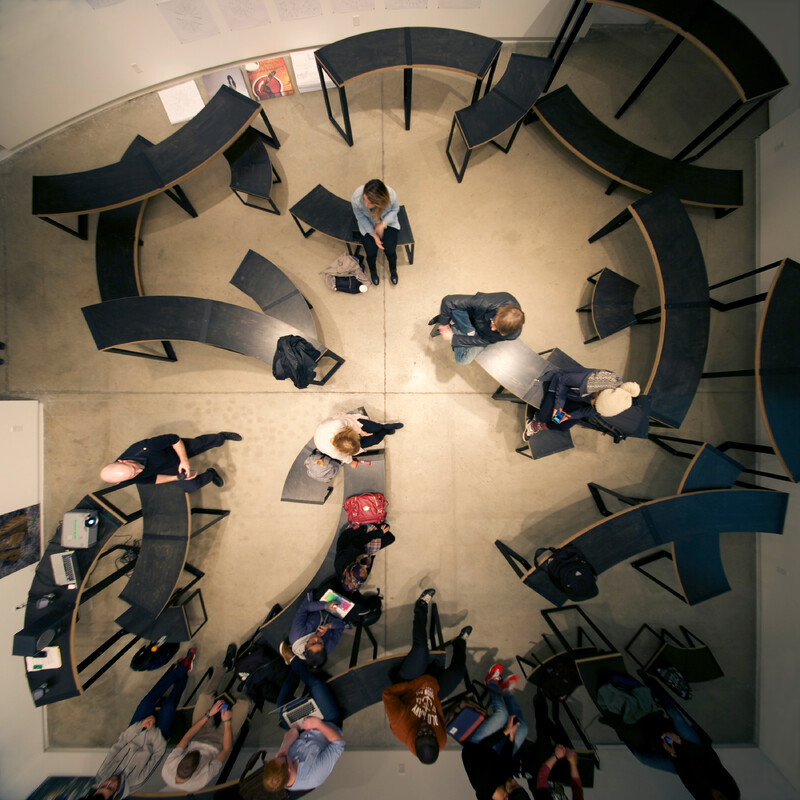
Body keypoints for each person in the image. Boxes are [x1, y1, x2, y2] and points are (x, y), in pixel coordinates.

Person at [88, 649, 196, 799]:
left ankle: (181, 669)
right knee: (169, 706)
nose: (109, 781)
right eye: (110, 787)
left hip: (135, 732)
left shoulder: (102, 774)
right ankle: (183, 673)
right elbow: (158, 754)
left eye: (104, 785)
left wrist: (140, 727)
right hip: (157, 738)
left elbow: (120, 743)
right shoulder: (136, 782)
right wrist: (152, 730)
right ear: (115, 795)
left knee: (146, 702)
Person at [382, 588, 472, 764]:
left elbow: (388, 694)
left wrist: (417, 685)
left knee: (421, 649)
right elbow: (439, 715)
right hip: (431, 693)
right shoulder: (441, 740)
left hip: (409, 683)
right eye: (429, 732)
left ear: (414, 739)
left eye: (420, 733)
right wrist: (432, 693)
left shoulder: (400, 725)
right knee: (458, 672)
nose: (425, 727)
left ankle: (421, 607)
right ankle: (460, 642)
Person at [161, 651, 253, 792]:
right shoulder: (200, 781)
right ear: (196, 771)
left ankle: (223, 668)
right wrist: (227, 722)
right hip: (220, 743)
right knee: (244, 705)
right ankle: (250, 680)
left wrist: (208, 715)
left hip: (199, 735)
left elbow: (187, 737)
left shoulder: (168, 769)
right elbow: (226, 749)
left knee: (204, 696)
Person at [262, 659, 346, 792]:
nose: (279, 756)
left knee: (281, 704)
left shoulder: (281, 766)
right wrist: (318, 724)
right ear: (289, 770)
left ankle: (298, 665)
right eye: (282, 757)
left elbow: (291, 734)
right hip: (327, 723)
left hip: (303, 727)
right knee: (315, 685)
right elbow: (339, 744)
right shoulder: (315, 775)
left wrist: (284, 748)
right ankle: (296, 660)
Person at [99, 431, 242, 492]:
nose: (139, 470)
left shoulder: (144, 448)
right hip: (163, 467)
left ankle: (220, 437)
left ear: (122, 461)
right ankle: (211, 474)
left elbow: (174, 439)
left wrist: (184, 460)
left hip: (171, 450)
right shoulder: (125, 478)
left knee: (199, 444)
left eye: (133, 468)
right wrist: (175, 478)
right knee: (192, 486)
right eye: (134, 474)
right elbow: (153, 479)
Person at [525, 367, 640, 438]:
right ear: (601, 393)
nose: (593, 406)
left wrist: (569, 416)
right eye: (594, 403)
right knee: (544, 417)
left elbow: (585, 412)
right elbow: (562, 380)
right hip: (560, 387)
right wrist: (558, 406)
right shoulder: (594, 381)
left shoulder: (610, 404)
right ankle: (537, 418)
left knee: (561, 423)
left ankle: (536, 426)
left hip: (577, 399)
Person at [429, 293, 525, 365]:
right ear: (497, 312)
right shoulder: (486, 302)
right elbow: (448, 300)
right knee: (455, 307)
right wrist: (444, 324)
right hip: (471, 316)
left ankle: (456, 327)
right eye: (493, 322)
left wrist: (453, 338)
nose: (492, 329)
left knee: (462, 360)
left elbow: (484, 340)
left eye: (497, 330)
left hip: (482, 335)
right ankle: (461, 327)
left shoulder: (511, 334)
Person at [661, 732, 741, 800]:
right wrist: (680, 741)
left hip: (683, 762)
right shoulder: (733, 793)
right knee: (678, 720)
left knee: (652, 758)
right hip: (697, 750)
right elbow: (711, 758)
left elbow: (688, 781)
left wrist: (673, 755)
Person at [351, 179, 401, 285]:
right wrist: (374, 235)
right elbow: (360, 218)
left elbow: (395, 210)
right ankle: (373, 271)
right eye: (364, 199)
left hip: (387, 223)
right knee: (371, 253)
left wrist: (383, 224)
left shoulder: (391, 195)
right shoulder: (356, 197)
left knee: (390, 251)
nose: (366, 204)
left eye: (370, 203)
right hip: (368, 224)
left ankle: (393, 270)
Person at [313, 412, 402, 466]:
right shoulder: (330, 451)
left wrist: (361, 432)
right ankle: (384, 431)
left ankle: (382, 426)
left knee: (374, 427)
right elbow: (342, 457)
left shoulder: (337, 424)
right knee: (375, 440)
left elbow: (351, 423)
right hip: (329, 437)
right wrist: (350, 462)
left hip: (346, 424)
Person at [334, 520, 395, 594]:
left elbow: (360, 540)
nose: (365, 566)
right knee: (390, 538)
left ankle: (367, 521)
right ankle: (375, 524)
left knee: (385, 527)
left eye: (362, 568)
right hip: (359, 550)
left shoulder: (345, 559)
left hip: (352, 537)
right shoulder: (353, 574)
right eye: (365, 570)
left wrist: (379, 533)